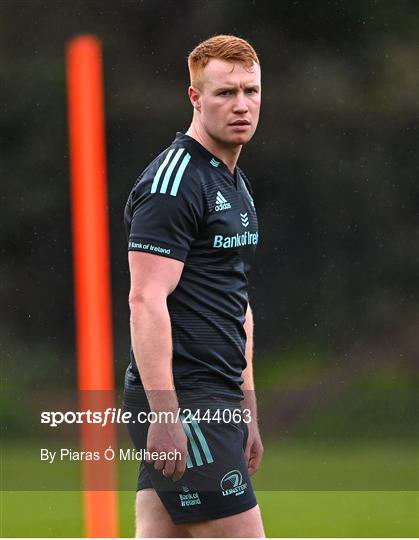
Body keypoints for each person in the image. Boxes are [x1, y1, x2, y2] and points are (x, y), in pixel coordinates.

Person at [123, 34, 265, 538]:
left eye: (250, 90)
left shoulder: (234, 181)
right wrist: (165, 413)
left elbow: (235, 301)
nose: (241, 105)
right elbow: (145, 300)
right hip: (185, 399)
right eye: (225, 93)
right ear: (194, 97)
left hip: (217, 397)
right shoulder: (175, 182)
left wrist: (246, 405)